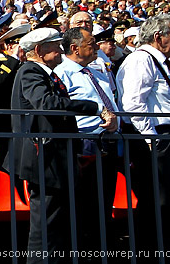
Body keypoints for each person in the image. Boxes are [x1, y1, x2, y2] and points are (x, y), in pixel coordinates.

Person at [7, 27, 116, 263]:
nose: (60, 50)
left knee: (57, 224)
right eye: (55, 46)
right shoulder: (30, 71)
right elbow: (45, 102)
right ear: (38, 50)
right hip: (44, 159)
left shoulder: (47, 73)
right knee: (44, 228)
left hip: (56, 157)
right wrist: (93, 108)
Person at [116, 13, 170, 255]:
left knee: (167, 198)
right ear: (158, 37)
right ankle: (150, 252)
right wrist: (150, 138)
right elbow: (134, 104)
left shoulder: (159, 60)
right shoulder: (141, 60)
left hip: (167, 134)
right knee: (156, 200)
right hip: (154, 136)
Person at [54, 27, 121, 251]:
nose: (96, 48)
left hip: (108, 143)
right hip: (83, 145)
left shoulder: (98, 72)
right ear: (75, 48)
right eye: (91, 44)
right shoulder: (61, 74)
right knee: (84, 206)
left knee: (103, 205)